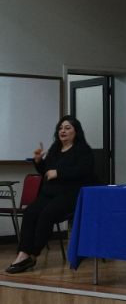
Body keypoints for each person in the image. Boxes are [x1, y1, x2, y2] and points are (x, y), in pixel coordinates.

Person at [6, 115, 95, 274]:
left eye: (67, 128)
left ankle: (32, 254)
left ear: (76, 131)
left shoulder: (83, 150)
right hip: (50, 193)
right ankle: (23, 253)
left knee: (46, 215)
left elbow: (83, 172)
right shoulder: (55, 149)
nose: (63, 131)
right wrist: (39, 161)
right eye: (60, 128)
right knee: (30, 212)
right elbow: (46, 173)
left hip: (70, 194)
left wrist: (59, 173)